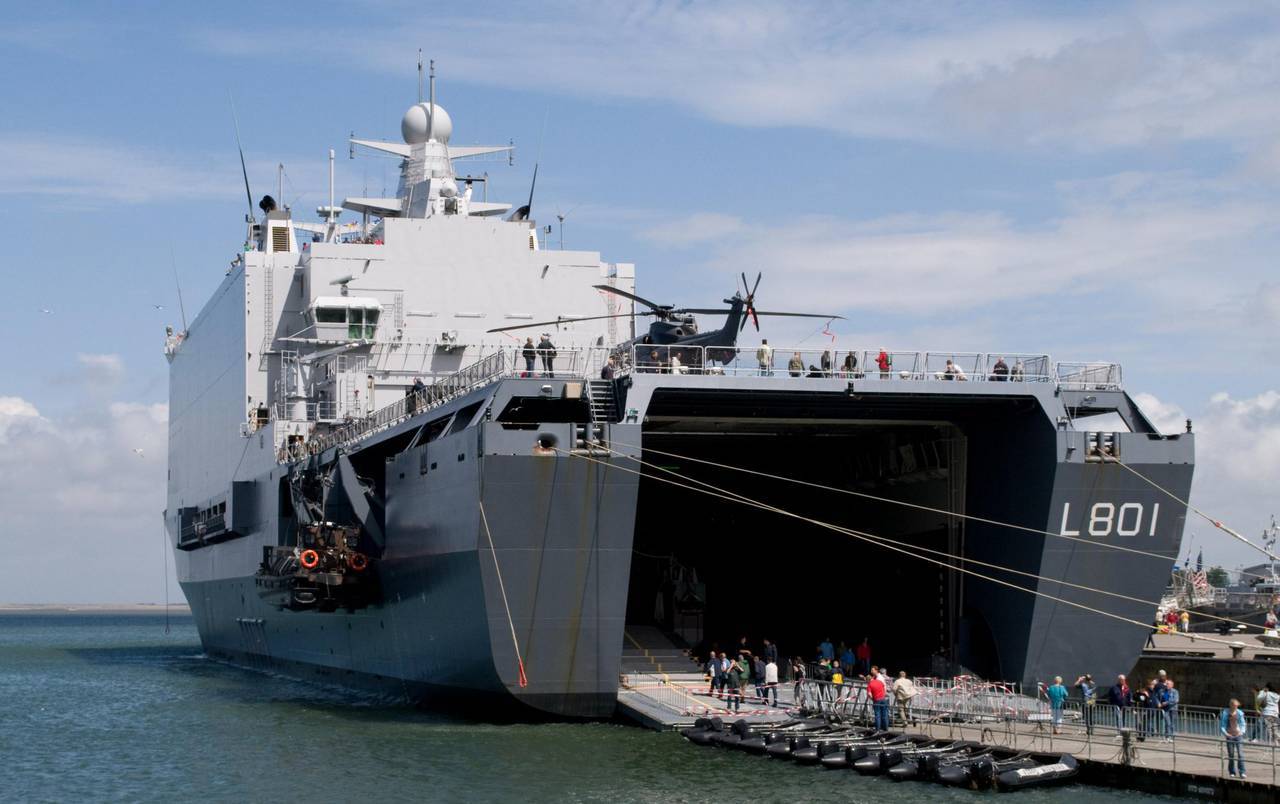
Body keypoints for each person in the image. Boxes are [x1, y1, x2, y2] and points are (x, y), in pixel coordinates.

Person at [1221, 698, 1248, 778]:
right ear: (1231, 705)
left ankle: (1242, 772)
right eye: (1235, 706)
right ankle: (1232, 772)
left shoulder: (1239, 713)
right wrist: (1226, 734)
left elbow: (1243, 724)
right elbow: (1222, 725)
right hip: (1229, 735)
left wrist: (1242, 732)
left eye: (1237, 706)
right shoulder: (1225, 713)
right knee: (1231, 755)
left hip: (1238, 735)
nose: (1236, 707)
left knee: (1240, 754)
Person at [867, 665, 890, 730]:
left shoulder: (872, 683)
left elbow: (869, 694)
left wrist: (873, 699)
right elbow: (883, 687)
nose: (871, 671)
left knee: (878, 714)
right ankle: (885, 728)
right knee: (884, 714)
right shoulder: (878, 680)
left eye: (872, 670)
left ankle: (878, 728)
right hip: (883, 698)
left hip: (877, 699)